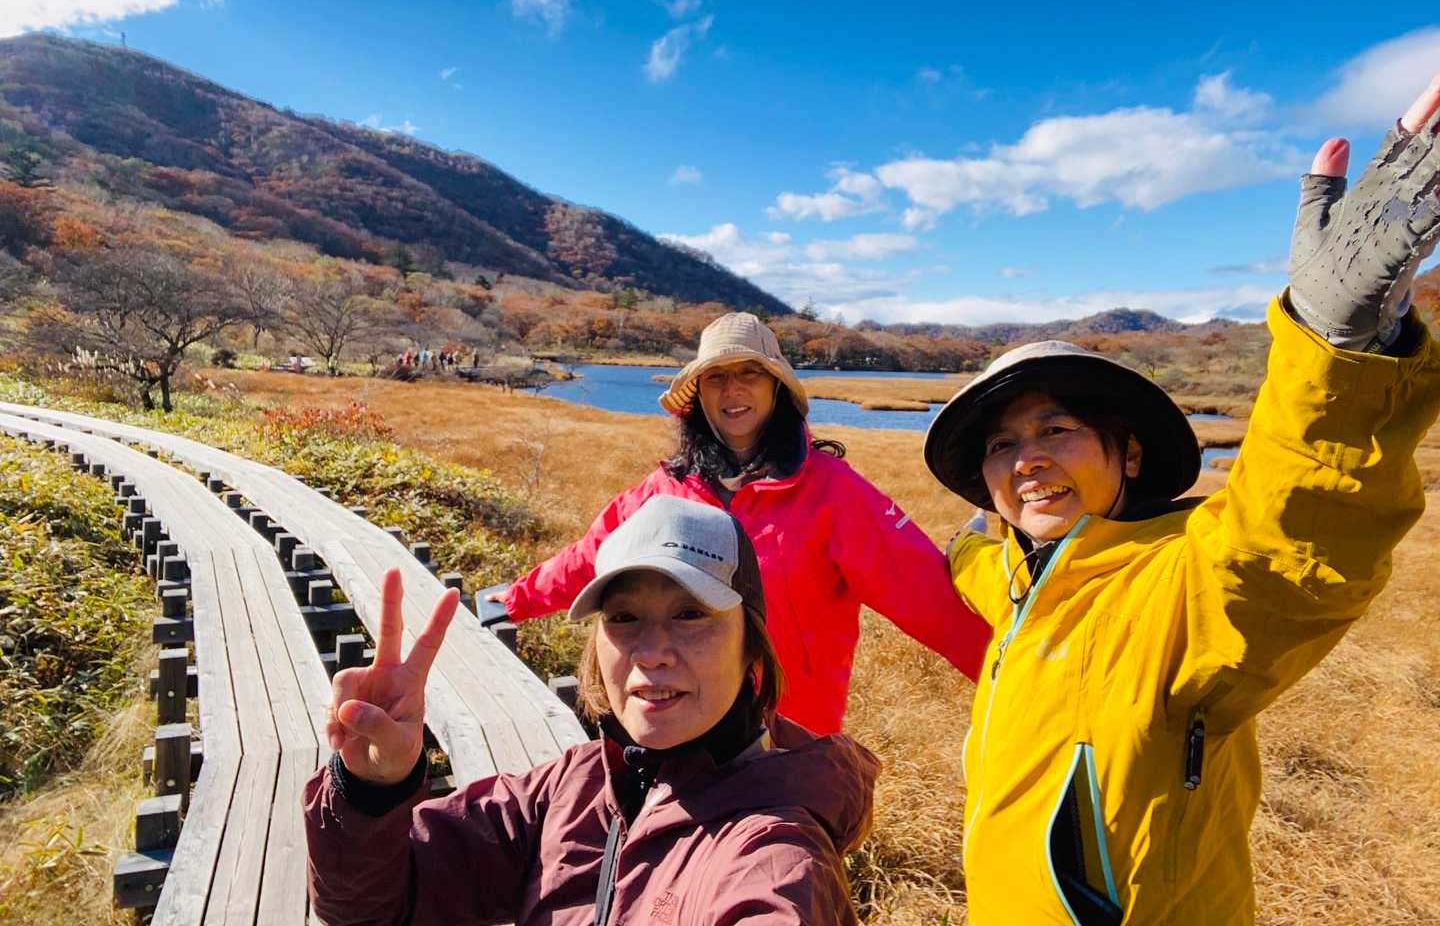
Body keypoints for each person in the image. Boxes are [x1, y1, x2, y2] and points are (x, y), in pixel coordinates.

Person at [922, 75, 1440, 923]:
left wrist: (1335, 348)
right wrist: (969, 543)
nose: (1026, 461)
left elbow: (1283, 553)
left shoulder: (1180, 590)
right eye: (1001, 446)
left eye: (1056, 430)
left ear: (1128, 452)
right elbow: (984, 562)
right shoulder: (1021, 583)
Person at [305, 495, 878, 924]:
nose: (652, 652)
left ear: (752, 645)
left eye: (690, 614)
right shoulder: (572, 789)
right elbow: (373, 907)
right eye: (624, 618)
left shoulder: (774, 855)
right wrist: (372, 787)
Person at [488, 311, 991, 733]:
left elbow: (926, 595)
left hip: (790, 732)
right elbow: (591, 555)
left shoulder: (833, 492)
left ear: (776, 387)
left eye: (750, 373)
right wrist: (514, 600)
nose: (733, 389)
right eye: (716, 377)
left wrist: (1017, 675)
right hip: (684, 724)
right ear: (698, 394)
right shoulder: (665, 490)